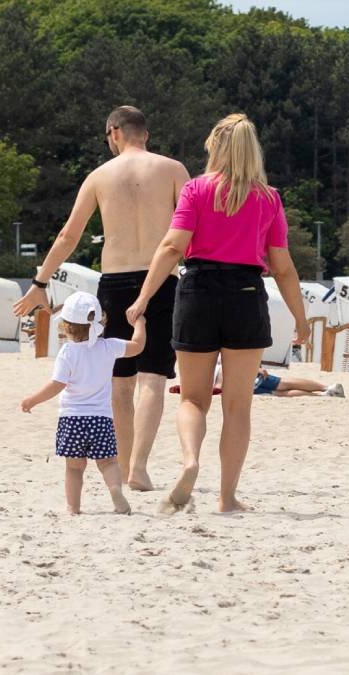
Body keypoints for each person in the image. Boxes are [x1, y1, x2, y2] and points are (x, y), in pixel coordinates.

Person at [126, 113, 308, 515]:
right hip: (246, 295)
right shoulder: (268, 198)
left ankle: (191, 462)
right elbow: (283, 267)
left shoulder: (196, 189)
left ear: (216, 147)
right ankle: (227, 498)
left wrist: (143, 297)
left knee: (193, 398)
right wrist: (300, 318)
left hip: (198, 293)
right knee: (238, 405)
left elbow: (172, 247)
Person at [12, 105, 190, 492]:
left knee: (120, 382)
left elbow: (68, 236)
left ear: (114, 132)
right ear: (145, 133)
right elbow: (190, 229)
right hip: (161, 279)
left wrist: (40, 281)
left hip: (115, 283)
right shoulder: (173, 170)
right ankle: (139, 467)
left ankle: (123, 466)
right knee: (153, 378)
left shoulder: (99, 176)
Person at [20, 292, 147, 515]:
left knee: (74, 468)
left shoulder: (68, 352)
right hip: (101, 419)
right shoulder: (108, 347)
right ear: (100, 321)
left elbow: (57, 385)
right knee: (108, 462)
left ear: (66, 326)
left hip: (72, 420)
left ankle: (73, 507)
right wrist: (140, 323)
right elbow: (137, 345)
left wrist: (33, 399)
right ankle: (115, 490)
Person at [245, 366, 345, 398]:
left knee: (278, 393)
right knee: (282, 383)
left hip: (238, 386)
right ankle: (327, 388)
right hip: (245, 375)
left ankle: (323, 395)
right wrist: (255, 367)